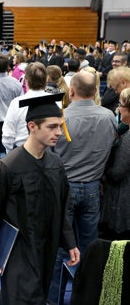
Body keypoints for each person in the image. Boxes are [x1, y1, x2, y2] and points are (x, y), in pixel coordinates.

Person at [0, 92, 80, 305]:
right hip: (19, 248)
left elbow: (62, 206)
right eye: (52, 127)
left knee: (34, 292)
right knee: (24, 296)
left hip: (46, 245)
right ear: (32, 126)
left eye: (60, 125)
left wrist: (70, 242)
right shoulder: (7, 167)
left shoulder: (55, 164)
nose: (59, 132)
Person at [47, 71, 117, 303]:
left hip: (64, 189)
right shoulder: (108, 116)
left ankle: (54, 298)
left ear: (72, 91)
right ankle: (85, 296)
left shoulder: (60, 117)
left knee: (59, 247)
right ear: (96, 91)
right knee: (89, 247)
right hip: (93, 188)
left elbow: (49, 155)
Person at [99, 87, 130, 240]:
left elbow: (117, 172)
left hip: (122, 204)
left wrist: (103, 175)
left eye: (121, 105)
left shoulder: (128, 139)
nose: (118, 109)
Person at [2, 62, 51, 154]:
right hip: (46, 151)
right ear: (46, 79)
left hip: (23, 152)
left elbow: (8, 135)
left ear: (26, 80)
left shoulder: (16, 103)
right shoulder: (55, 101)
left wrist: (10, 154)